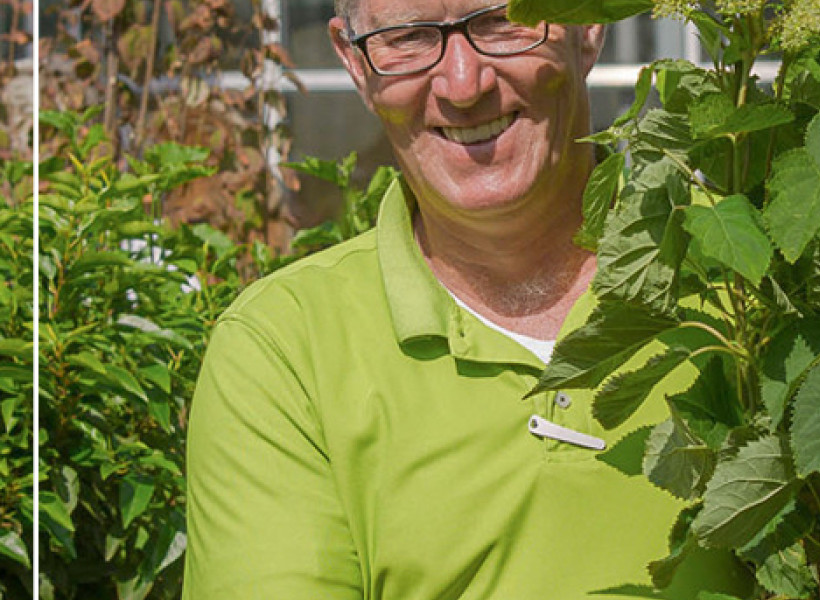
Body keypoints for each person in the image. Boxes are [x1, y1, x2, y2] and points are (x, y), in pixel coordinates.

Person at [181, 2, 749, 598]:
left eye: (501, 21)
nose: (463, 85)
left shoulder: (744, 280)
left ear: (587, 24)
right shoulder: (285, 351)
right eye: (407, 37)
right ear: (354, 62)